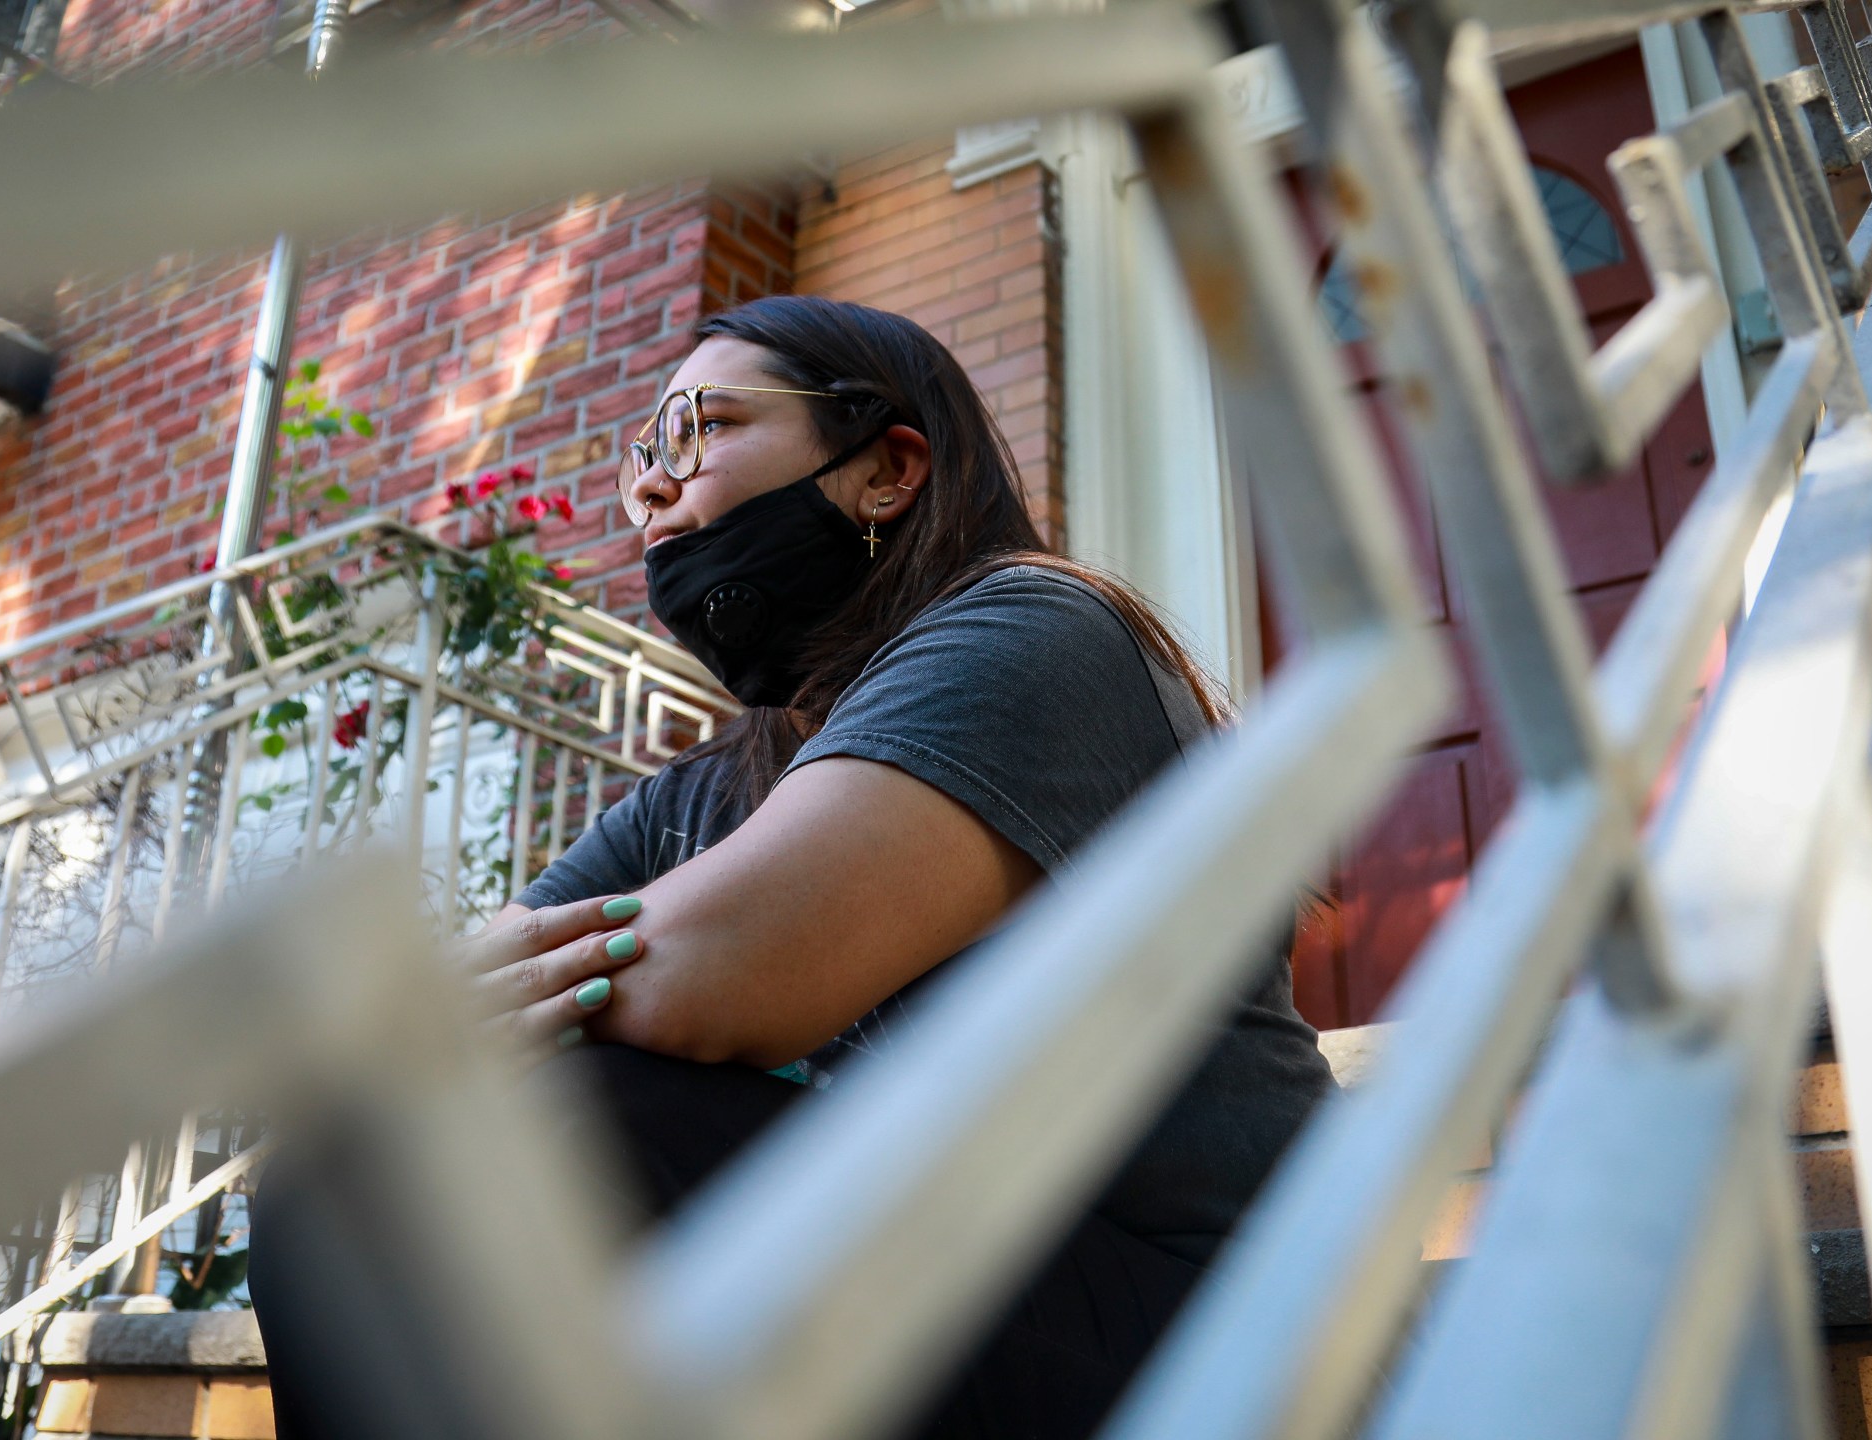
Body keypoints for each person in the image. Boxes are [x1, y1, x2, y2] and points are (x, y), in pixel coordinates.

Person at [251, 296, 1333, 1439]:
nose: (653, 489)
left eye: (702, 429)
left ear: (885, 470)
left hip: (1231, 1325)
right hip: (961, 1282)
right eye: (640, 460)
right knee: (348, 1183)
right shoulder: (709, 790)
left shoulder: (1038, 633)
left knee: (578, 1123)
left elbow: (706, 977)